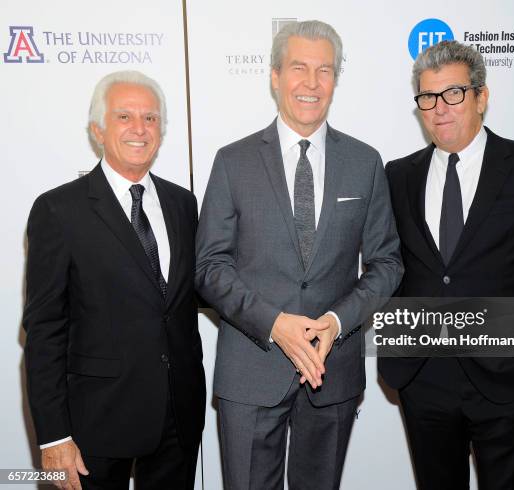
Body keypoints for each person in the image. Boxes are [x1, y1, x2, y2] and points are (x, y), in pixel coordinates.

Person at [196, 20, 402, 490]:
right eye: (298, 68)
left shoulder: (365, 162)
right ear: (274, 75)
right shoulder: (233, 161)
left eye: (324, 70)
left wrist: (334, 321)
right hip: (250, 371)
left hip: (334, 372)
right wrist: (274, 323)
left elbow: (387, 263)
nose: (311, 83)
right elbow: (209, 267)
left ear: (335, 79)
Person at [378, 40, 514, 490]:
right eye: (427, 98)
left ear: (481, 96)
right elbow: (385, 267)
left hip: (510, 378)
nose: (440, 109)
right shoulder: (397, 176)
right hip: (424, 379)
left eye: (453, 93)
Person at [23, 70, 206, 490]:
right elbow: (45, 331)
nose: (140, 129)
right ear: (97, 130)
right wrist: (54, 436)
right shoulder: (58, 210)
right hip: (94, 427)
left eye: (150, 118)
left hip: (178, 417)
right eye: (124, 117)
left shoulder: (182, 203)